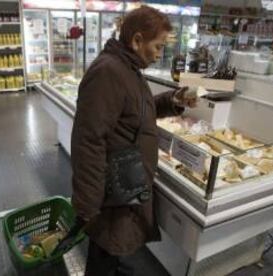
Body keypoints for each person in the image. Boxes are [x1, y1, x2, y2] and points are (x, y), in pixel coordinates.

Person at [59, 6, 197, 276]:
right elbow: (88, 140)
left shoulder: (129, 67)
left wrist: (174, 100)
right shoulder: (108, 72)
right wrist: (87, 204)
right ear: (136, 40)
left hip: (125, 187)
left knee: (111, 252)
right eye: (157, 47)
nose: (160, 55)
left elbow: (137, 112)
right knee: (110, 252)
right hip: (113, 193)